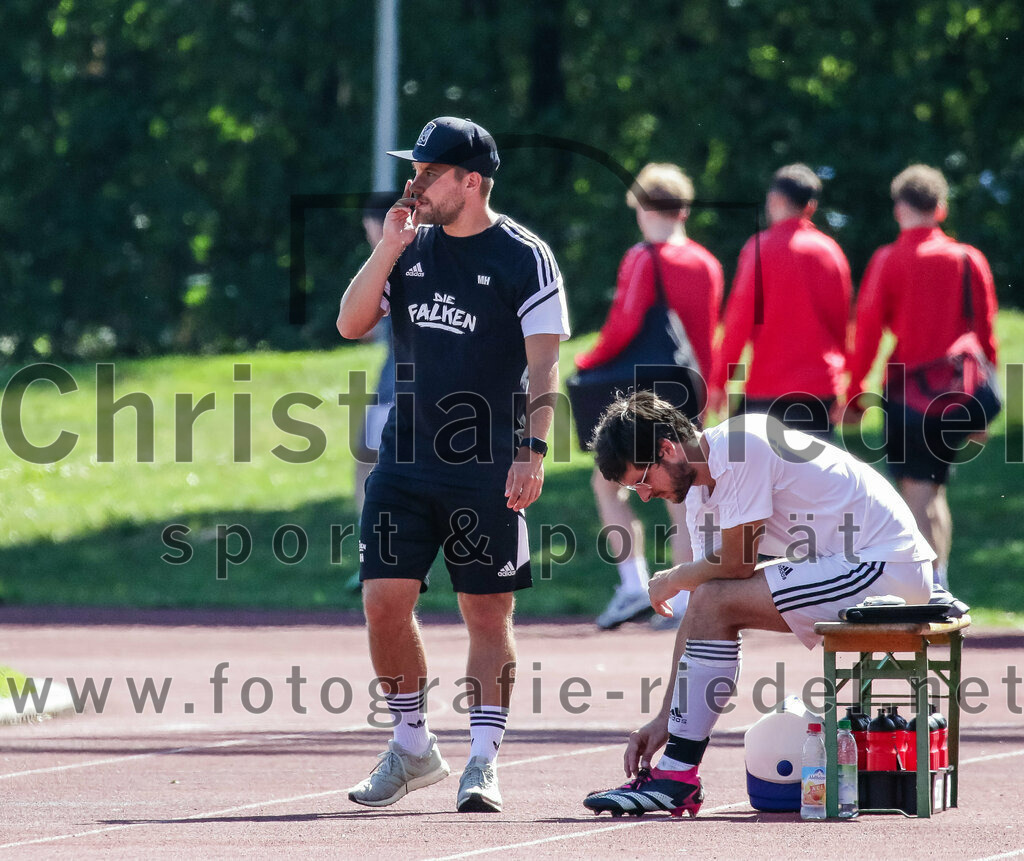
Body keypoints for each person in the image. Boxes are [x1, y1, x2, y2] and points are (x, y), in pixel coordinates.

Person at [337, 116, 570, 813]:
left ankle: (483, 761)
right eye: (413, 170)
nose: (414, 184)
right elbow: (350, 323)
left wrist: (532, 451)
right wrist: (388, 248)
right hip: (404, 461)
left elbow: (545, 364)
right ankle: (412, 745)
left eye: (428, 172)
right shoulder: (409, 247)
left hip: (488, 464)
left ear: (470, 181)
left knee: (486, 613)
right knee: (382, 602)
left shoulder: (525, 256)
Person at [581, 390, 934, 817]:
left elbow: (737, 561)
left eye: (641, 480)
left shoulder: (741, 446)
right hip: (853, 563)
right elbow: (703, 604)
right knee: (712, 598)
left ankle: (676, 776)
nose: (643, 495)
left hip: (885, 567)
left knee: (716, 595)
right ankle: (676, 772)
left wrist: (669, 579)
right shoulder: (698, 492)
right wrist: (664, 718)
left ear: (667, 449)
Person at [574, 163, 723, 631]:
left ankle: (633, 585)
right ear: (683, 209)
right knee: (682, 496)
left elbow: (623, 325)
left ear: (642, 208)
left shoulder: (642, 258)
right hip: (688, 390)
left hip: (643, 395)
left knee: (608, 483)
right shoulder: (707, 262)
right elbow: (705, 337)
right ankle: (685, 600)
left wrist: (586, 361)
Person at [843, 164, 999, 593]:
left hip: (908, 396)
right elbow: (986, 335)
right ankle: (941, 579)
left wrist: (855, 393)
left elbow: (868, 332)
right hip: (960, 394)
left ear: (899, 208)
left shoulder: (889, 259)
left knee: (916, 492)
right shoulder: (969, 259)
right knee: (935, 491)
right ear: (941, 209)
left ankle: (929, 589)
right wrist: (983, 406)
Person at [712, 163, 852, 439]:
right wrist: (843, 383)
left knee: (757, 466)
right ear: (810, 206)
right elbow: (842, 326)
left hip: (768, 387)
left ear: (774, 199)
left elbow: (738, 322)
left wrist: (719, 381)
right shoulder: (831, 252)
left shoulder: (760, 248)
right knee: (813, 466)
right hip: (819, 389)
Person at [353, 193, 398, 519]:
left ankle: (369, 536)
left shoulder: (384, 262)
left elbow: (359, 328)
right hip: (434, 385)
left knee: (366, 461)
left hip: (393, 387)